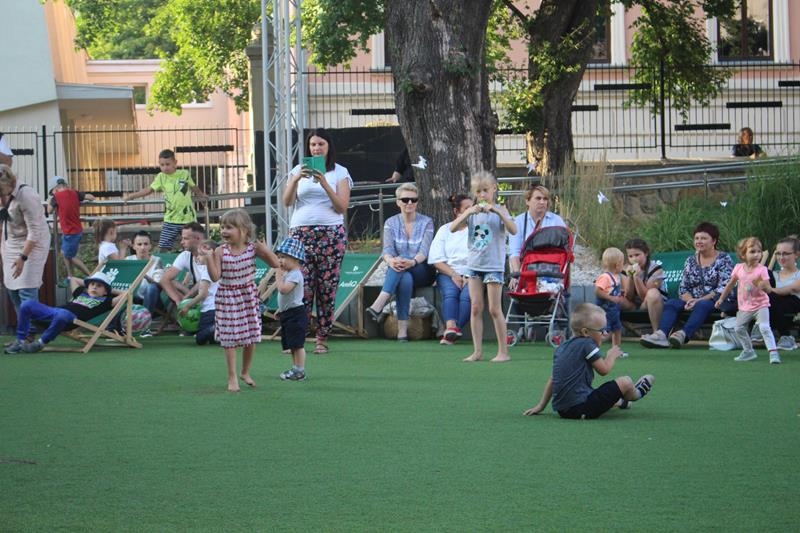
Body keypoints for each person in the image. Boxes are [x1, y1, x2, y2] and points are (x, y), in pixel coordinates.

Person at [282, 129, 352, 355]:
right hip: (301, 234)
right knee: (302, 287)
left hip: (330, 234)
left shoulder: (339, 172)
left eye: (321, 144)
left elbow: (342, 207)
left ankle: (322, 337)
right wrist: (295, 180)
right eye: (313, 144)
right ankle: (298, 338)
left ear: (329, 146)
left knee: (326, 288)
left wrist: (324, 184)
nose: (316, 148)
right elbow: (287, 202)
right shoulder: (297, 170)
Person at [523, 303, 655, 419]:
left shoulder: (562, 347)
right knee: (625, 381)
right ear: (586, 332)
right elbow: (604, 370)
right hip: (582, 407)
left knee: (595, 392)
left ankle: (620, 402)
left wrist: (541, 406)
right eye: (602, 331)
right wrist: (611, 355)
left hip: (563, 410)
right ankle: (635, 393)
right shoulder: (587, 344)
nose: (605, 334)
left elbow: (553, 380)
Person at [200, 209, 279, 392]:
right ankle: (232, 376)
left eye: (229, 227)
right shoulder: (220, 251)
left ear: (244, 230)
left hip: (247, 297)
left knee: (250, 337)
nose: (224, 231)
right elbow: (215, 277)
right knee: (230, 338)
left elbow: (276, 264)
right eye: (222, 227)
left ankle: (245, 372)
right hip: (227, 297)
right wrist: (209, 258)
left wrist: (266, 250)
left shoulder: (253, 248)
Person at [450, 171, 517, 363]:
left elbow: (513, 230)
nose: (482, 195)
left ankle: (503, 352)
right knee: (475, 307)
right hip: (474, 265)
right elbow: (453, 228)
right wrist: (468, 212)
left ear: (494, 189)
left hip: (494, 266)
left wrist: (498, 212)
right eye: (478, 191)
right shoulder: (472, 213)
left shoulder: (501, 210)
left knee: (495, 309)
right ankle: (477, 351)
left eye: (485, 190)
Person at [641, 222, 733, 349]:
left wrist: (698, 300)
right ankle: (661, 335)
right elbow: (683, 287)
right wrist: (690, 300)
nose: (699, 241)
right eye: (697, 238)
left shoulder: (724, 259)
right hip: (692, 300)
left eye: (703, 238)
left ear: (714, 241)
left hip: (716, 301)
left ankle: (682, 335)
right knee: (672, 303)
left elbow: (724, 287)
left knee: (702, 305)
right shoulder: (690, 260)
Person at [365, 183, 435, 341]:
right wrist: (390, 261)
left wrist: (412, 262)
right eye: (405, 200)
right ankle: (402, 331)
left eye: (413, 200)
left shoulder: (427, 222)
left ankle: (380, 301)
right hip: (400, 269)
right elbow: (387, 250)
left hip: (422, 269)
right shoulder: (390, 222)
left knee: (401, 263)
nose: (410, 203)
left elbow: (424, 252)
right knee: (405, 278)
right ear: (398, 202)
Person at [4, 272, 123, 354]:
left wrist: (109, 290)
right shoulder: (80, 293)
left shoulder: (106, 301)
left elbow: (126, 294)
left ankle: (40, 343)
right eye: (92, 284)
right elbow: (74, 279)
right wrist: (89, 285)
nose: (94, 287)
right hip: (54, 312)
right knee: (26, 304)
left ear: (105, 291)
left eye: (99, 286)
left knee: (63, 314)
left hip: (70, 319)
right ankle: (20, 341)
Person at [0, 164, 51, 342]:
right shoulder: (2, 194)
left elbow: (35, 231)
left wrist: (23, 257)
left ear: (9, 184)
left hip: (33, 242)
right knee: (12, 289)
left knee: (27, 288)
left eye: (1, 192)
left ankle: (29, 333)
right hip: (11, 241)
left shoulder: (27, 195)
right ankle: (24, 330)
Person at [122, 149, 208, 252]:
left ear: (175, 163)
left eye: (168, 164)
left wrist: (201, 196)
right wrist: (132, 196)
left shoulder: (184, 174)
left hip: (188, 219)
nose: (165, 167)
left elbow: (194, 187)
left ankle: (194, 261)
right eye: (162, 165)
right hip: (170, 219)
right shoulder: (161, 177)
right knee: (163, 246)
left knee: (193, 245)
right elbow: (149, 189)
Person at [715, 237, 780, 364]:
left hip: (761, 305)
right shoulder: (738, 268)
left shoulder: (762, 270)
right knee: (739, 328)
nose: (757, 255)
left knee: (764, 327)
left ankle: (773, 353)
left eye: (759, 252)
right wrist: (721, 299)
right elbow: (730, 284)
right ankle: (748, 351)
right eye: (752, 252)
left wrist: (763, 286)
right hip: (744, 306)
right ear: (743, 255)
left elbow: (768, 289)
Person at [160, 223, 218, 345]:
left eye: (185, 238)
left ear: (198, 238)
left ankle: (220, 329)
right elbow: (165, 279)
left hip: (217, 304)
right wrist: (179, 301)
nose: (181, 242)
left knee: (201, 338)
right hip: (205, 302)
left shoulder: (215, 255)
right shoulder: (186, 255)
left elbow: (203, 288)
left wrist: (187, 303)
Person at [428, 193, 473, 345]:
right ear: (456, 211)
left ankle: (452, 331)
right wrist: (453, 274)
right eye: (467, 209)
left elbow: (483, 255)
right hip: (447, 272)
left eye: (473, 208)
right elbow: (436, 259)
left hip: (472, 273)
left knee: (467, 296)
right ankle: (451, 327)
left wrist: (469, 274)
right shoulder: (445, 229)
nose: (472, 211)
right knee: (450, 293)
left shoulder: (478, 230)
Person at [508, 185, 566, 291]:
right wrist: (517, 275)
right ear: (527, 201)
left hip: (552, 271)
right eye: (538, 198)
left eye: (545, 199)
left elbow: (565, 251)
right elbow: (515, 251)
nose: (542, 202)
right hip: (527, 271)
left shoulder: (557, 221)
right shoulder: (518, 222)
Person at [274, 237, 308, 381]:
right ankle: (295, 368)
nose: (280, 261)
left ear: (296, 259)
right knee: (292, 344)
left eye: (284, 257)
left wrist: (278, 276)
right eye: (279, 257)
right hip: (288, 312)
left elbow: (284, 290)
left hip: (296, 314)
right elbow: (286, 298)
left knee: (297, 344)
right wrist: (280, 309)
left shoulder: (295, 274)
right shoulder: (289, 273)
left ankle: (300, 370)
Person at [48, 176, 96, 278]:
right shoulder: (75, 193)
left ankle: (91, 275)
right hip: (76, 230)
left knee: (68, 256)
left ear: (55, 189)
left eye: (52, 192)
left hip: (70, 232)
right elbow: (91, 197)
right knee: (65, 253)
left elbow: (49, 210)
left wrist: (52, 201)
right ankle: (71, 277)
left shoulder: (56, 197)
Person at [622, 238, 667, 333]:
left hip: (652, 304)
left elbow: (646, 296)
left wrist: (637, 278)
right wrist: (630, 277)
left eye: (637, 255)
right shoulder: (626, 269)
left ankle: (657, 332)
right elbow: (629, 296)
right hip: (634, 305)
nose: (634, 259)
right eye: (630, 256)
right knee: (613, 297)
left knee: (653, 293)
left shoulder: (656, 269)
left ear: (646, 253)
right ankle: (610, 331)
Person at [125, 231, 163, 336]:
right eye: (139, 244)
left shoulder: (156, 260)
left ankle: (144, 326)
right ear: (133, 246)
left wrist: (143, 275)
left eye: (146, 244)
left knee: (152, 287)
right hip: (132, 298)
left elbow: (158, 283)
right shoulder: (128, 260)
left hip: (152, 298)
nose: (143, 247)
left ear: (150, 246)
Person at [767, 236, 800, 351]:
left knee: (768, 296)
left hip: (792, 305)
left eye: (785, 254)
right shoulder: (773, 275)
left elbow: (790, 290)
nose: (781, 257)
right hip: (772, 308)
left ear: (796, 255)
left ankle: (786, 335)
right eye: (778, 253)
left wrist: (767, 289)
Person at [594, 247, 630, 353]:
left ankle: (616, 350)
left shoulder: (616, 277)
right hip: (605, 310)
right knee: (604, 333)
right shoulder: (605, 277)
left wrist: (620, 292)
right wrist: (611, 298)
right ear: (617, 265)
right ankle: (593, 349)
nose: (623, 266)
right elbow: (598, 291)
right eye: (622, 263)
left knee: (617, 329)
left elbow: (612, 289)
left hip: (614, 310)